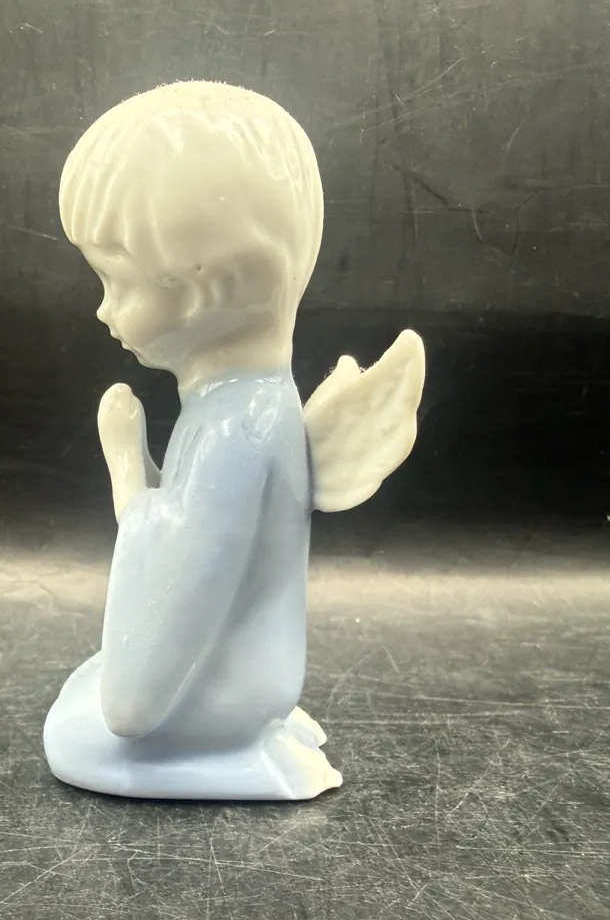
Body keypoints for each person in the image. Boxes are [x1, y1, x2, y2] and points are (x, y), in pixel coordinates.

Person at [43, 81, 423, 799]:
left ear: (214, 289)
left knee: (73, 730)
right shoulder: (255, 404)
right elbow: (201, 542)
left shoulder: (234, 429)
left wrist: (124, 462)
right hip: (255, 676)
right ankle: (250, 731)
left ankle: (226, 748)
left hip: (224, 697)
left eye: (118, 283)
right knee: (78, 693)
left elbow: (171, 586)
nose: (102, 309)